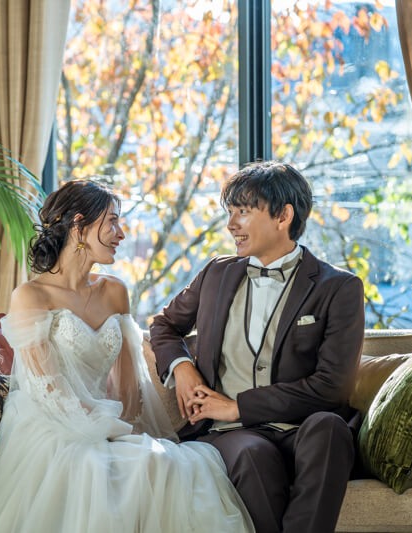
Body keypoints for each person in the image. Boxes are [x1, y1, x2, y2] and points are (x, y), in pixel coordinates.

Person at [0, 179, 253, 533]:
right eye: (112, 222)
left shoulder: (115, 291)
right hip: (51, 425)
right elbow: (49, 390)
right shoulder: (31, 296)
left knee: (162, 463)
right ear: (79, 226)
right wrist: (103, 428)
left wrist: (124, 428)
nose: (121, 234)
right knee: (93, 468)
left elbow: (128, 387)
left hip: (106, 419)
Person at [149, 161, 365, 533]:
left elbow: (332, 387)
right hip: (232, 435)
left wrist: (237, 406)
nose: (231, 224)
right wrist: (182, 368)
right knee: (252, 455)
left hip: (302, 428)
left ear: (283, 216)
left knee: (331, 428)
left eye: (244, 212)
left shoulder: (339, 288)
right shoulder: (216, 273)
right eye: (230, 212)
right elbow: (164, 325)